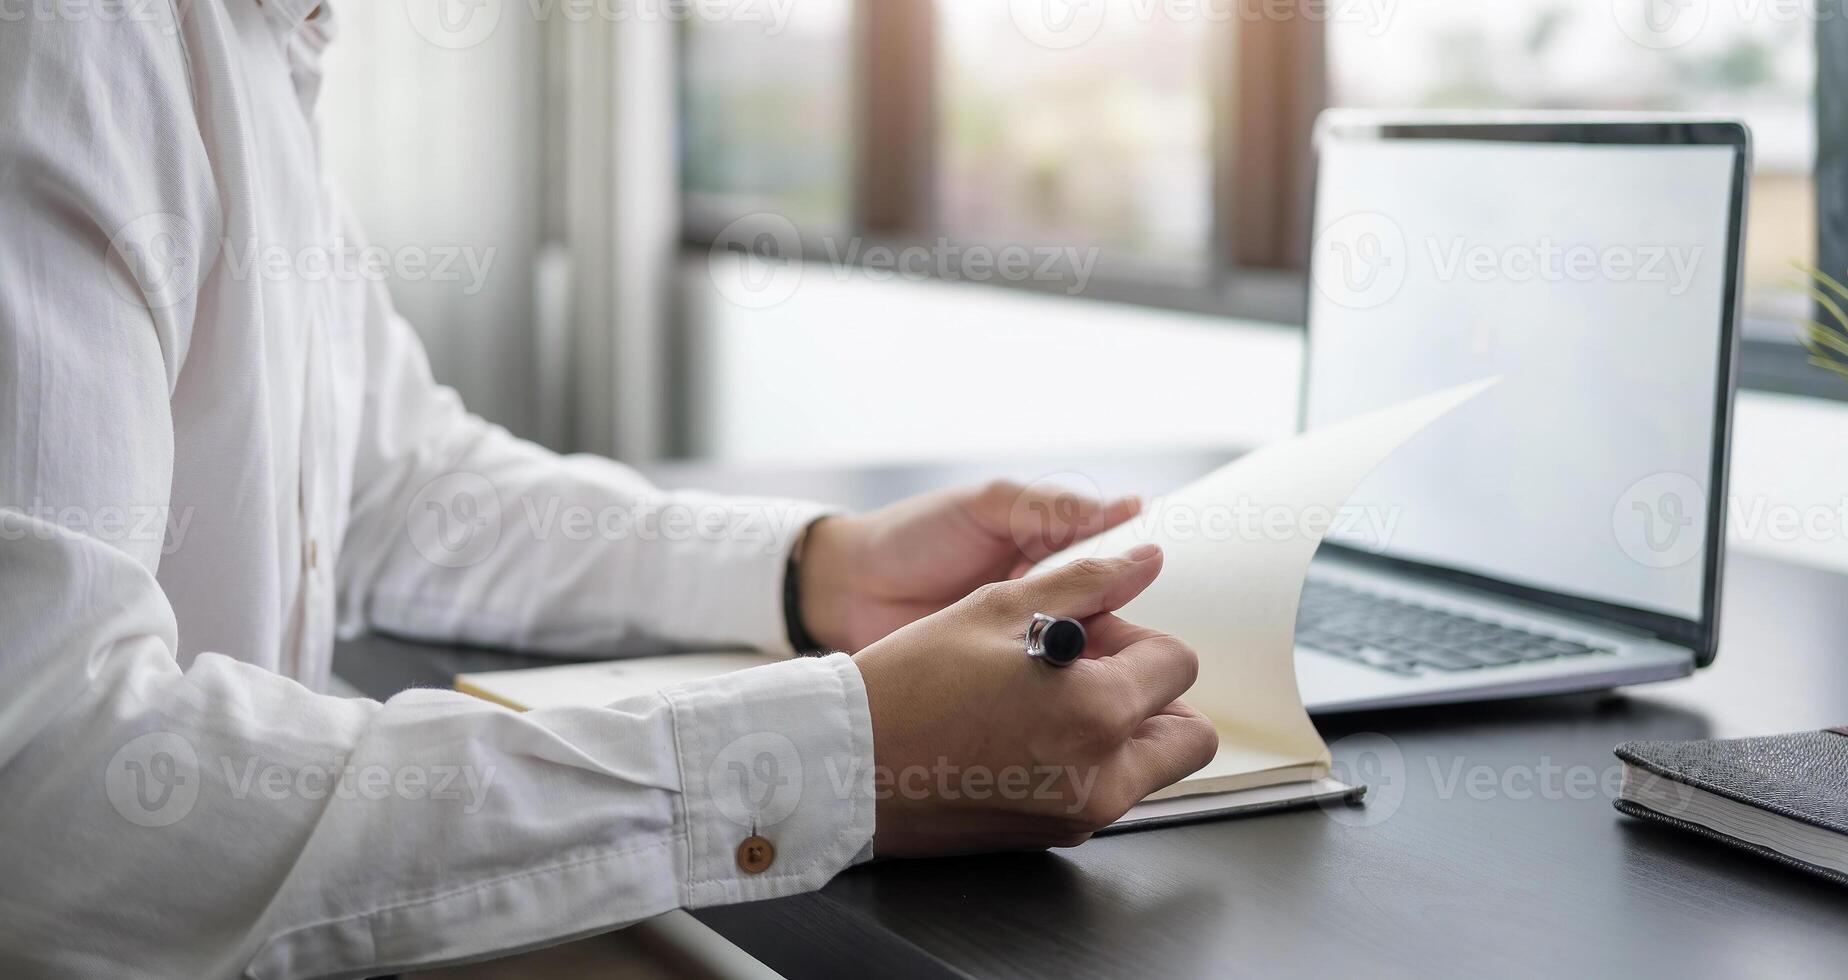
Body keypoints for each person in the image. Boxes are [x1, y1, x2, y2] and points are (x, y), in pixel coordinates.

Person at [0, 4, 1219, 976]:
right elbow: (46, 794)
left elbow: (395, 485)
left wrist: (818, 568)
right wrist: (846, 757)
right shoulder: (70, 44)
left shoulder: (259, 44)